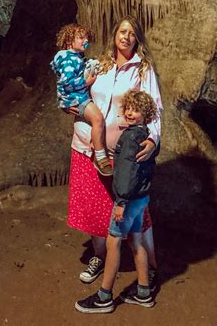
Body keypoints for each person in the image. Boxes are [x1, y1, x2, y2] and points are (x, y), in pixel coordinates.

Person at [68, 15, 162, 290]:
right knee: (96, 207)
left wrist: (153, 139)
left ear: (137, 39)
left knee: (135, 213)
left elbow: (155, 108)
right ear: (114, 35)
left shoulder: (143, 70)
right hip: (87, 146)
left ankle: (151, 266)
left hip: (124, 153)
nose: (126, 37)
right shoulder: (100, 64)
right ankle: (100, 256)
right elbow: (76, 90)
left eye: (132, 33)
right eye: (122, 31)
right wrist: (68, 105)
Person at [76, 90, 159, 313]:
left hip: (127, 200)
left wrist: (121, 202)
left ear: (146, 113)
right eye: (128, 109)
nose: (130, 113)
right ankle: (143, 292)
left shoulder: (131, 138)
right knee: (137, 241)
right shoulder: (146, 136)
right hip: (141, 198)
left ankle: (104, 296)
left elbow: (127, 173)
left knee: (113, 244)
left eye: (136, 110)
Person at [50, 23, 112, 177]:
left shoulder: (75, 57)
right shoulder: (67, 59)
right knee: (98, 119)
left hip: (77, 97)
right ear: (69, 40)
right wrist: (86, 82)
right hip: (77, 98)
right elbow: (67, 82)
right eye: (81, 38)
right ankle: (100, 157)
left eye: (86, 38)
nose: (86, 41)